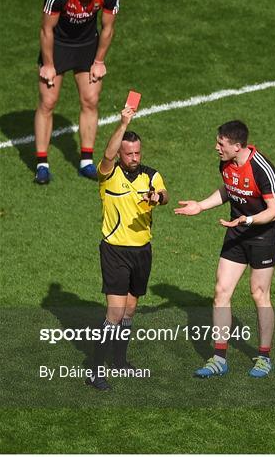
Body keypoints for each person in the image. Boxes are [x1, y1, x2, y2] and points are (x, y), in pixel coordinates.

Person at [175, 120, 275, 378]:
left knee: (259, 294)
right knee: (221, 291)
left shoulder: (262, 169)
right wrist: (201, 205)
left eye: (221, 144)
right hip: (236, 231)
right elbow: (229, 190)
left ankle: (264, 357)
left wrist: (249, 220)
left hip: (262, 236)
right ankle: (219, 358)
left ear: (237, 146)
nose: (216, 148)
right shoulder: (226, 162)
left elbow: (274, 211)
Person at [86, 107, 169, 390]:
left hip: (141, 251)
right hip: (115, 251)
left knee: (130, 310)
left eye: (137, 152)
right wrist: (123, 123)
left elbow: (165, 195)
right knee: (115, 312)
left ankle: (119, 362)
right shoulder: (108, 174)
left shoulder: (150, 175)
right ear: (121, 154)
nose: (135, 157)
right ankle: (95, 370)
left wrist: (158, 196)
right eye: (129, 153)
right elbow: (107, 155)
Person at [34, 0, 119, 184]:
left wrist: (99, 61)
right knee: (48, 102)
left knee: (90, 100)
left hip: (86, 46)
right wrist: (49, 64)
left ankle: (86, 162)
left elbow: (108, 28)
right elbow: (46, 31)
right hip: (58, 45)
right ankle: (42, 163)